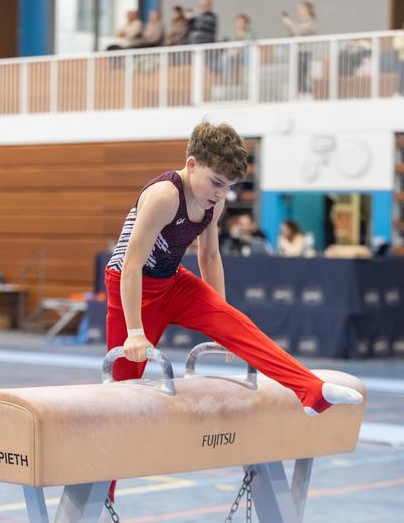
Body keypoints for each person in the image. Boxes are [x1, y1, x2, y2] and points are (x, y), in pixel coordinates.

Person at [106, 121, 362, 432]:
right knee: (120, 400)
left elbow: (210, 255)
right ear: (192, 164)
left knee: (237, 324)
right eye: (216, 182)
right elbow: (131, 267)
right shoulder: (165, 196)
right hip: (132, 288)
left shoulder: (214, 202)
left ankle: (310, 389)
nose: (221, 193)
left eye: (228, 185)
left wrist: (219, 318)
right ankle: (107, 480)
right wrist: (135, 330)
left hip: (173, 282)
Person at [281, 2, 317, 96]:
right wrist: (287, 26)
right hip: (298, 51)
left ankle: (307, 93)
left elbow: (301, 30)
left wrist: (290, 23)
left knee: (302, 75)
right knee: (298, 75)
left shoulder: (311, 21)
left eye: (301, 9)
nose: (299, 11)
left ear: (307, 10)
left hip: (305, 52)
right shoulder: (300, 22)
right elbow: (294, 32)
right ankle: (302, 93)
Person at [393, 25, 404, 97]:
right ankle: (399, 93)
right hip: (402, 59)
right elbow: (397, 46)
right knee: (401, 77)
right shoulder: (399, 36)